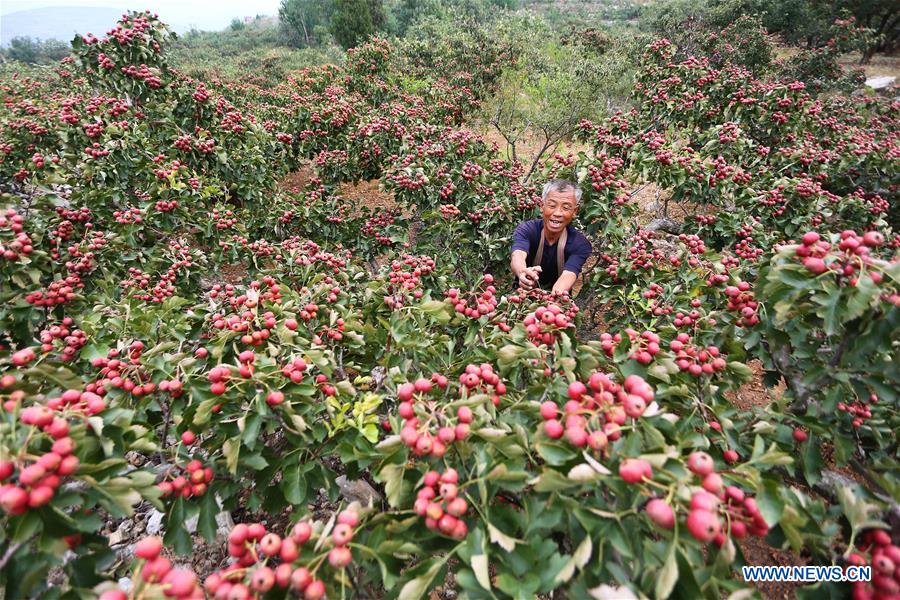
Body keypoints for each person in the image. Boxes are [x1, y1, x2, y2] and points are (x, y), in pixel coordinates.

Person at [510, 179, 592, 294]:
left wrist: (554, 298)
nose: (558, 213)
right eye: (552, 205)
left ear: (575, 211)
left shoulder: (580, 244)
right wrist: (522, 272)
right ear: (542, 206)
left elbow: (569, 274)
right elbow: (518, 254)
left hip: (556, 301)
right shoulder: (528, 230)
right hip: (523, 293)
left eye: (566, 208)